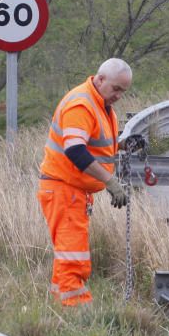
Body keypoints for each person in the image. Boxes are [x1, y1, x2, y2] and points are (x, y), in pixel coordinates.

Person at [37, 58, 133, 307]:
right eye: (116, 89)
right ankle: (77, 309)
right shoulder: (81, 104)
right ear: (100, 79)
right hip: (63, 189)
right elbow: (76, 151)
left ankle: (62, 305)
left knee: (68, 255)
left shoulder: (98, 102)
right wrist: (110, 181)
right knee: (73, 257)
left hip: (70, 191)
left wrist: (123, 144)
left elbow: (94, 142)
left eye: (123, 91)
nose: (119, 96)